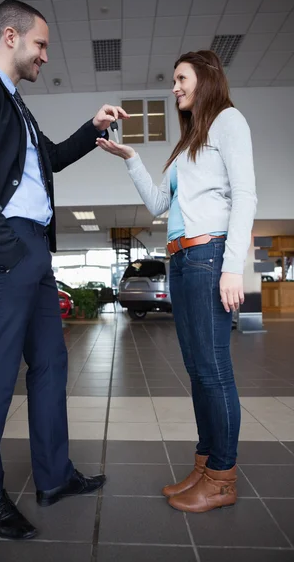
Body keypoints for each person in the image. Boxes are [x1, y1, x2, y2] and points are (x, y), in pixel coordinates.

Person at [0, 0, 128, 539]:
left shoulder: (20, 106)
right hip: (10, 250)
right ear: (9, 36)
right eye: (40, 44)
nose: (46, 55)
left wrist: (92, 128)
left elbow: (50, 158)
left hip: (35, 254)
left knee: (49, 365)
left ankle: (52, 476)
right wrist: (10, 252)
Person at [96, 50, 257, 513]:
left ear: (205, 78)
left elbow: (245, 194)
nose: (174, 87)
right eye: (172, 80)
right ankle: (205, 466)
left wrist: (232, 268)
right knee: (196, 370)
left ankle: (223, 478)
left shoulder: (229, 121)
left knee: (214, 371)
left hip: (209, 256)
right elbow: (154, 204)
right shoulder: (188, 144)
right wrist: (129, 156)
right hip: (181, 261)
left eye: (180, 78)